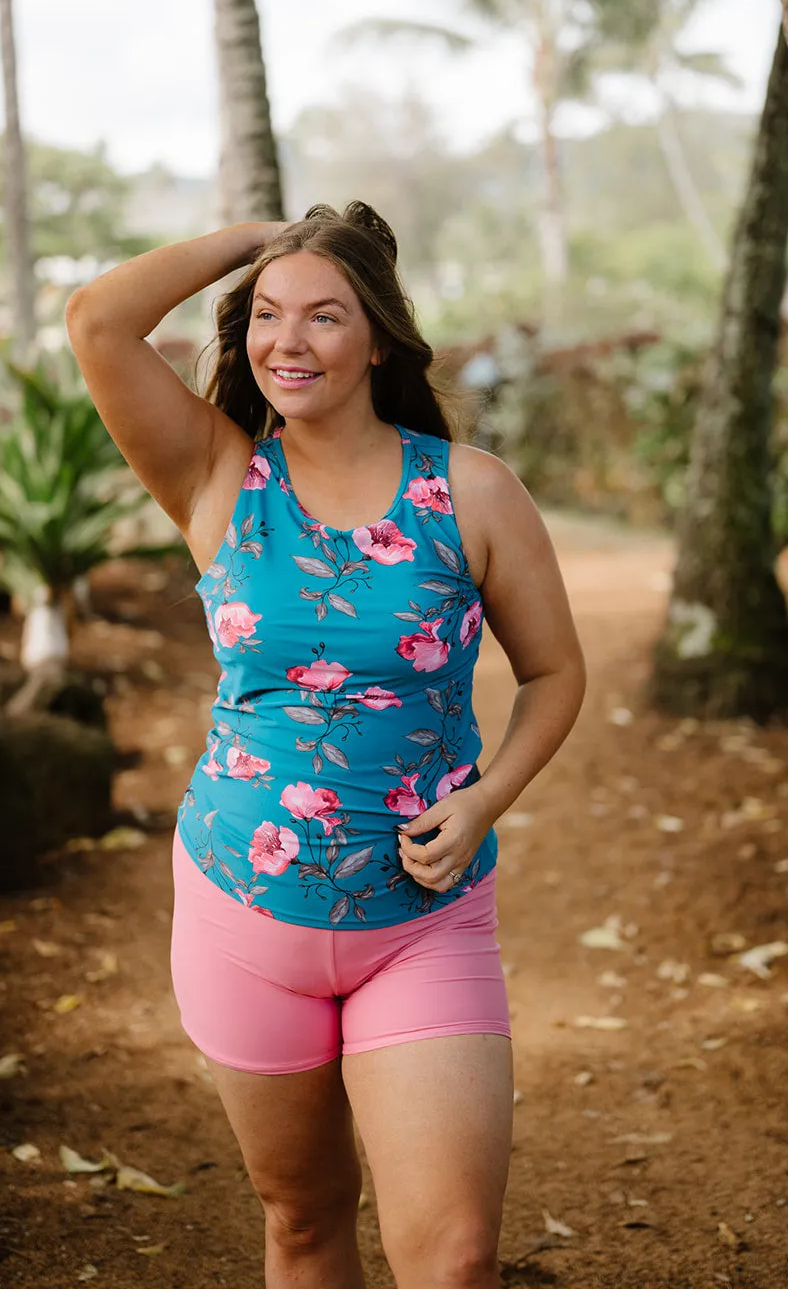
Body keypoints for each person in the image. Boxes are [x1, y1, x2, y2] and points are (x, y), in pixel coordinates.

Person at [66, 200, 586, 1289]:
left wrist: (486, 799)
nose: (287, 342)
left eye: (324, 315)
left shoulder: (471, 490)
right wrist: (259, 238)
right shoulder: (217, 475)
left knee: (453, 1258)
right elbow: (98, 319)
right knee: (302, 1225)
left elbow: (554, 674)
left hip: (420, 925)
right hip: (240, 918)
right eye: (266, 314)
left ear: (381, 337)